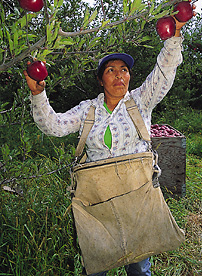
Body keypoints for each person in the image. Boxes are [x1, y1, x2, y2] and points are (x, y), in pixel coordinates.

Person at [24, 16, 193, 276]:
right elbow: (53, 126)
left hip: (137, 195)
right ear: (101, 80)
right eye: (111, 70)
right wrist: (38, 94)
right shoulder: (87, 109)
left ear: (130, 77)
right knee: (97, 266)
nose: (119, 75)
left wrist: (173, 38)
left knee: (139, 267)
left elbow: (164, 71)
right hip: (98, 201)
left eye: (124, 70)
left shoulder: (140, 101)